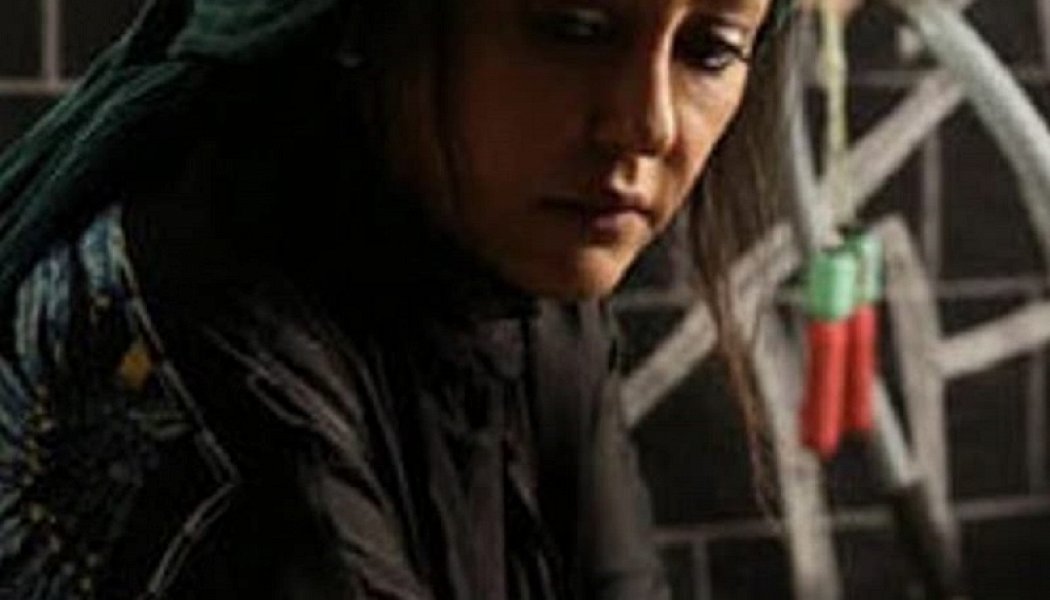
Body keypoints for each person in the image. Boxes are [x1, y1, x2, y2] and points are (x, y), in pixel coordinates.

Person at [0, 0, 794, 597]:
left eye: (710, 50)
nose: (646, 124)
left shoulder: (514, 251)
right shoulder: (218, 331)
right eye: (575, 28)